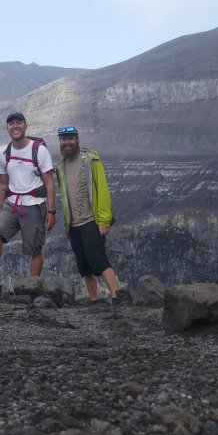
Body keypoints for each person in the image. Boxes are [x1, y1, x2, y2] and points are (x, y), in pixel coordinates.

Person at [0, 112, 56, 285]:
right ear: (7, 128)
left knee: (35, 249)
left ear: (25, 126)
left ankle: (32, 285)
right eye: (11, 124)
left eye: (19, 123)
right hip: (12, 203)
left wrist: (51, 211)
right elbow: (3, 183)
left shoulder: (39, 151)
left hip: (34, 204)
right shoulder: (4, 152)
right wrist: (0, 208)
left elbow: (49, 183)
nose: (15, 126)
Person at [53, 125, 120, 303]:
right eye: (63, 139)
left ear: (77, 139)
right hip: (74, 224)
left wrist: (104, 220)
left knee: (98, 258)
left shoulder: (91, 159)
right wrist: (67, 224)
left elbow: (102, 190)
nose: (67, 142)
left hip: (92, 220)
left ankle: (116, 296)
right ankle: (93, 300)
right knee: (84, 265)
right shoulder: (60, 166)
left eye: (70, 138)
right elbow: (65, 198)